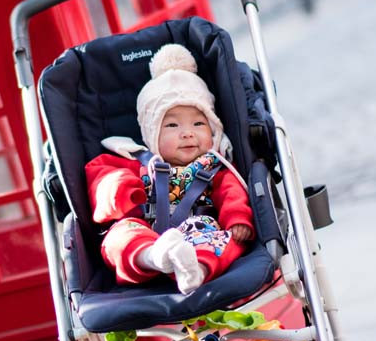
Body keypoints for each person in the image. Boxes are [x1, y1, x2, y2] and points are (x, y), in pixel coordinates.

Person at [85, 43, 254, 293]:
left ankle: (195, 270)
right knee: (116, 239)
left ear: (213, 130)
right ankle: (156, 257)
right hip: (146, 232)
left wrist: (237, 218)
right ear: (152, 135)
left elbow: (233, 193)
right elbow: (100, 175)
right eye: (172, 126)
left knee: (227, 242)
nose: (187, 134)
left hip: (199, 229)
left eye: (198, 123)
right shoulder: (137, 161)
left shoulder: (216, 166)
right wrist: (121, 190)